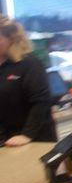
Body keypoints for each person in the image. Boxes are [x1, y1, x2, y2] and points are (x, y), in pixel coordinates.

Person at [0, 15, 57, 146]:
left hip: (34, 139)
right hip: (6, 140)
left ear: (11, 39)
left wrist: (26, 135)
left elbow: (41, 102)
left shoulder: (29, 63)